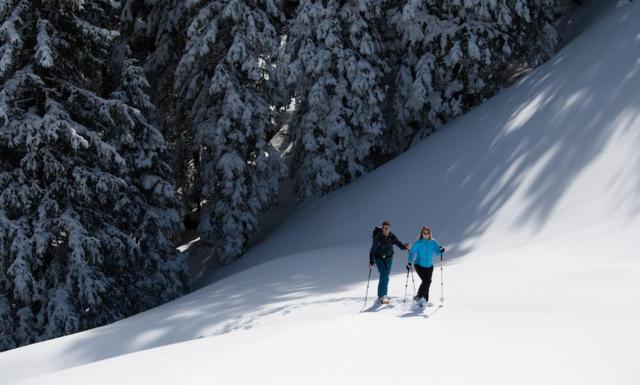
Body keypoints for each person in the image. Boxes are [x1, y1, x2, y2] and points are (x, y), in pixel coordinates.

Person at [369, 221, 410, 304]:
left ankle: (384, 295)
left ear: (389, 228)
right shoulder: (378, 237)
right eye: (384, 228)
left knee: (386, 277)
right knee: (384, 274)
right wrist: (371, 261)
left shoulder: (391, 236)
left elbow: (400, 245)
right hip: (379, 258)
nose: (386, 230)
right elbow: (373, 250)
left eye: (387, 228)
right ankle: (382, 296)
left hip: (389, 259)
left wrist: (406, 246)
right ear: (382, 228)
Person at [406, 226, 445, 307]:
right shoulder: (418, 243)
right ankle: (420, 296)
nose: (426, 235)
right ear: (422, 233)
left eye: (427, 233)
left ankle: (425, 300)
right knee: (426, 281)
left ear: (430, 233)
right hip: (419, 265)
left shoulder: (433, 242)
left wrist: (442, 250)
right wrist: (409, 262)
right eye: (424, 233)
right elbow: (412, 252)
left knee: (427, 282)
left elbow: (437, 252)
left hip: (430, 266)